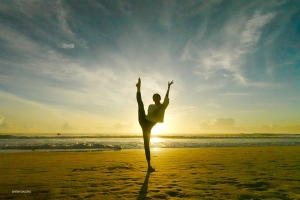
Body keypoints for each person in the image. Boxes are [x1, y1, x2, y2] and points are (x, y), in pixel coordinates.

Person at [136, 77, 174, 171]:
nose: (154, 98)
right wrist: (158, 109)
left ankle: (149, 166)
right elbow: (152, 114)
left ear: (159, 98)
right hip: (144, 120)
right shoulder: (151, 106)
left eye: (156, 97)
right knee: (140, 104)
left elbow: (166, 97)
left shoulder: (163, 106)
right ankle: (138, 88)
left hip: (148, 127)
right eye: (153, 98)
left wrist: (168, 87)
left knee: (146, 145)